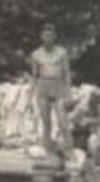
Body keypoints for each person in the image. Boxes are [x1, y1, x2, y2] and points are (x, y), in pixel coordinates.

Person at [30, 24, 72, 153]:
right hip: (43, 85)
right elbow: (34, 76)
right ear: (41, 37)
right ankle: (47, 151)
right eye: (45, 35)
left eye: (50, 35)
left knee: (62, 122)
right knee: (46, 123)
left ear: (55, 37)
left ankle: (69, 150)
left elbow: (67, 73)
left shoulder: (62, 52)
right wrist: (30, 96)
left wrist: (68, 92)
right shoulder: (36, 54)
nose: (48, 38)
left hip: (58, 84)